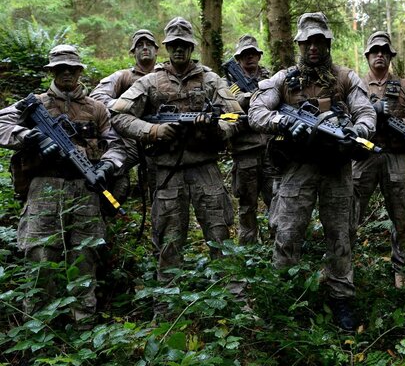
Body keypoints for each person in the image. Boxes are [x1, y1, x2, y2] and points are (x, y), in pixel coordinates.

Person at [248, 12, 376, 330]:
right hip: (297, 167)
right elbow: (256, 110)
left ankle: (341, 297)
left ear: (327, 43)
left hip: (336, 167)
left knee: (341, 234)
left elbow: (366, 111)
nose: (313, 47)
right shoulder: (283, 79)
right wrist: (282, 121)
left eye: (319, 41)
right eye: (307, 42)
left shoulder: (345, 78)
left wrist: (356, 131)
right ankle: (284, 296)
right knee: (287, 233)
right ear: (300, 45)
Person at [109, 17, 243, 315]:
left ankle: (235, 304)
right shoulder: (149, 82)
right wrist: (151, 130)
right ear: (167, 47)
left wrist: (216, 128)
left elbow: (236, 116)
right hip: (167, 172)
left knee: (220, 234)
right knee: (168, 242)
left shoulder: (211, 80)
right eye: (174, 45)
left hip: (205, 168)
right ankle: (167, 310)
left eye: (184, 45)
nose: (179, 50)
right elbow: (117, 114)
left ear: (192, 47)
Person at [0, 44, 126, 325]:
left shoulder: (97, 108)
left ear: (80, 71)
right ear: (52, 71)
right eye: (60, 69)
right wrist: (29, 136)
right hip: (43, 190)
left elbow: (117, 145)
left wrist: (107, 165)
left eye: (72, 68)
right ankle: (41, 327)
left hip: (85, 190)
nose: (67, 73)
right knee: (40, 257)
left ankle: (84, 325)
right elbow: (1, 123)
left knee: (85, 256)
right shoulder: (33, 103)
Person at [352, 31, 405, 289]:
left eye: (384, 51)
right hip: (364, 157)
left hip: (397, 158)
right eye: (375, 51)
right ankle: (340, 265)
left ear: (390, 56)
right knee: (350, 213)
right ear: (367, 56)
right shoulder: (355, 84)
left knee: (403, 216)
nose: (380, 55)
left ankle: (402, 269)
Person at [90, 29, 160, 205]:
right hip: (129, 140)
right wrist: (123, 106)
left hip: (159, 138)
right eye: (139, 45)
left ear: (156, 50)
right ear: (133, 52)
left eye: (149, 44)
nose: (145, 48)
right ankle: (109, 209)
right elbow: (96, 97)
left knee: (162, 190)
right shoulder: (123, 76)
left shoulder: (166, 75)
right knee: (112, 174)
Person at [227, 35, 279, 244]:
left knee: (274, 199)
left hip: (270, 149)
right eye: (245, 55)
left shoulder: (271, 79)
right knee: (247, 204)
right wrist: (257, 99)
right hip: (245, 151)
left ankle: (276, 242)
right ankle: (248, 247)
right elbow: (232, 103)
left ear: (259, 56)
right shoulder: (230, 82)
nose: (250, 58)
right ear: (238, 59)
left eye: (253, 54)